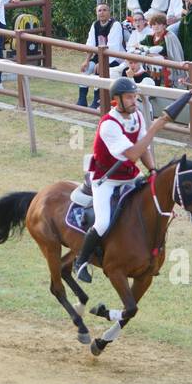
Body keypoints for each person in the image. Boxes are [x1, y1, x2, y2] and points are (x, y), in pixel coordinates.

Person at [73, 76, 170, 283]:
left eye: (135, 96)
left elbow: (143, 148)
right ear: (116, 100)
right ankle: (81, 260)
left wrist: (152, 169)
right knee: (102, 223)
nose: (134, 101)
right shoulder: (109, 125)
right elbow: (133, 154)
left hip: (129, 175)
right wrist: (155, 128)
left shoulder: (137, 117)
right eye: (129, 97)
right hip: (105, 179)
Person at [78, 3, 125, 108]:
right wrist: (86, 60)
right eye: (99, 11)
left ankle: (97, 100)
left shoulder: (115, 25)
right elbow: (90, 44)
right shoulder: (95, 24)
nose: (102, 12)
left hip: (114, 58)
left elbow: (113, 47)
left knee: (98, 72)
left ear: (109, 12)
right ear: (96, 13)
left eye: (104, 10)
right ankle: (82, 99)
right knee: (86, 69)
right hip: (99, 56)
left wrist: (101, 63)